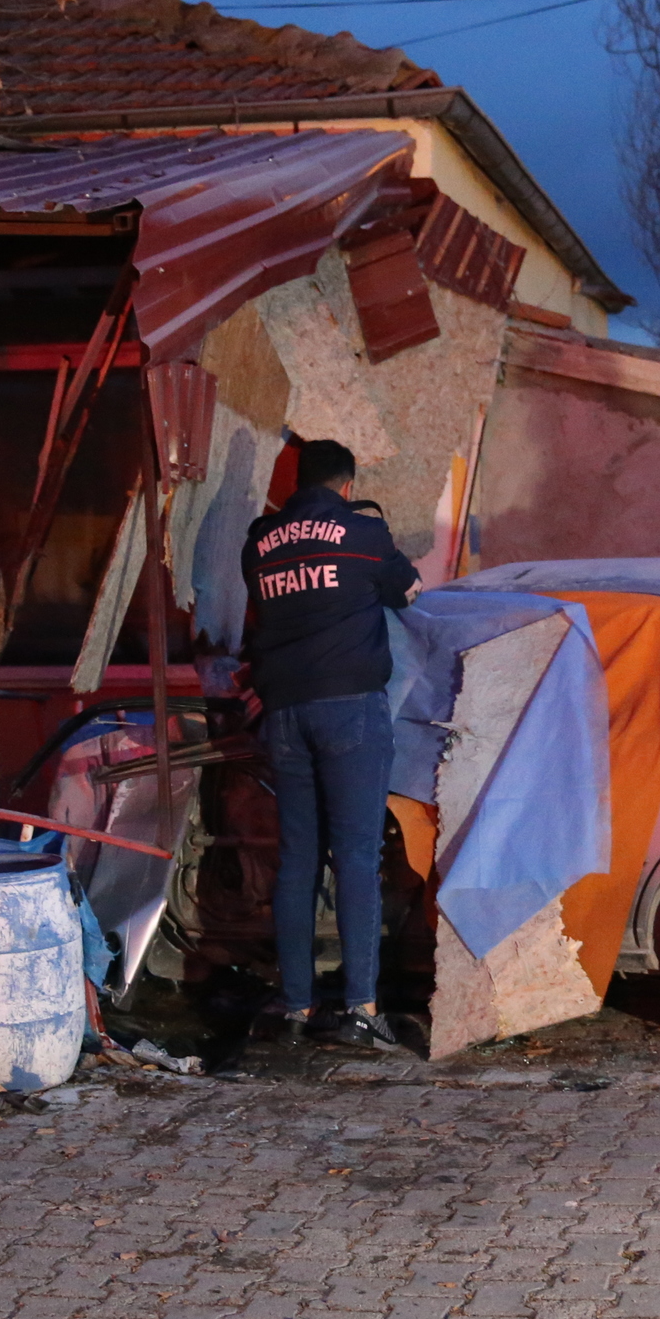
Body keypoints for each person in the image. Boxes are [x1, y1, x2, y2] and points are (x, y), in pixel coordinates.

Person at [239, 439, 420, 1050]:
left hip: (285, 716)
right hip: (350, 713)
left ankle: (296, 1007)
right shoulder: (365, 534)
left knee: (297, 860)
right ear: (348, 485)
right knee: (357, 859)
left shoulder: (259, 543)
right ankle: (361, 1009)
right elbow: (407, 592)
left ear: (297, 482)